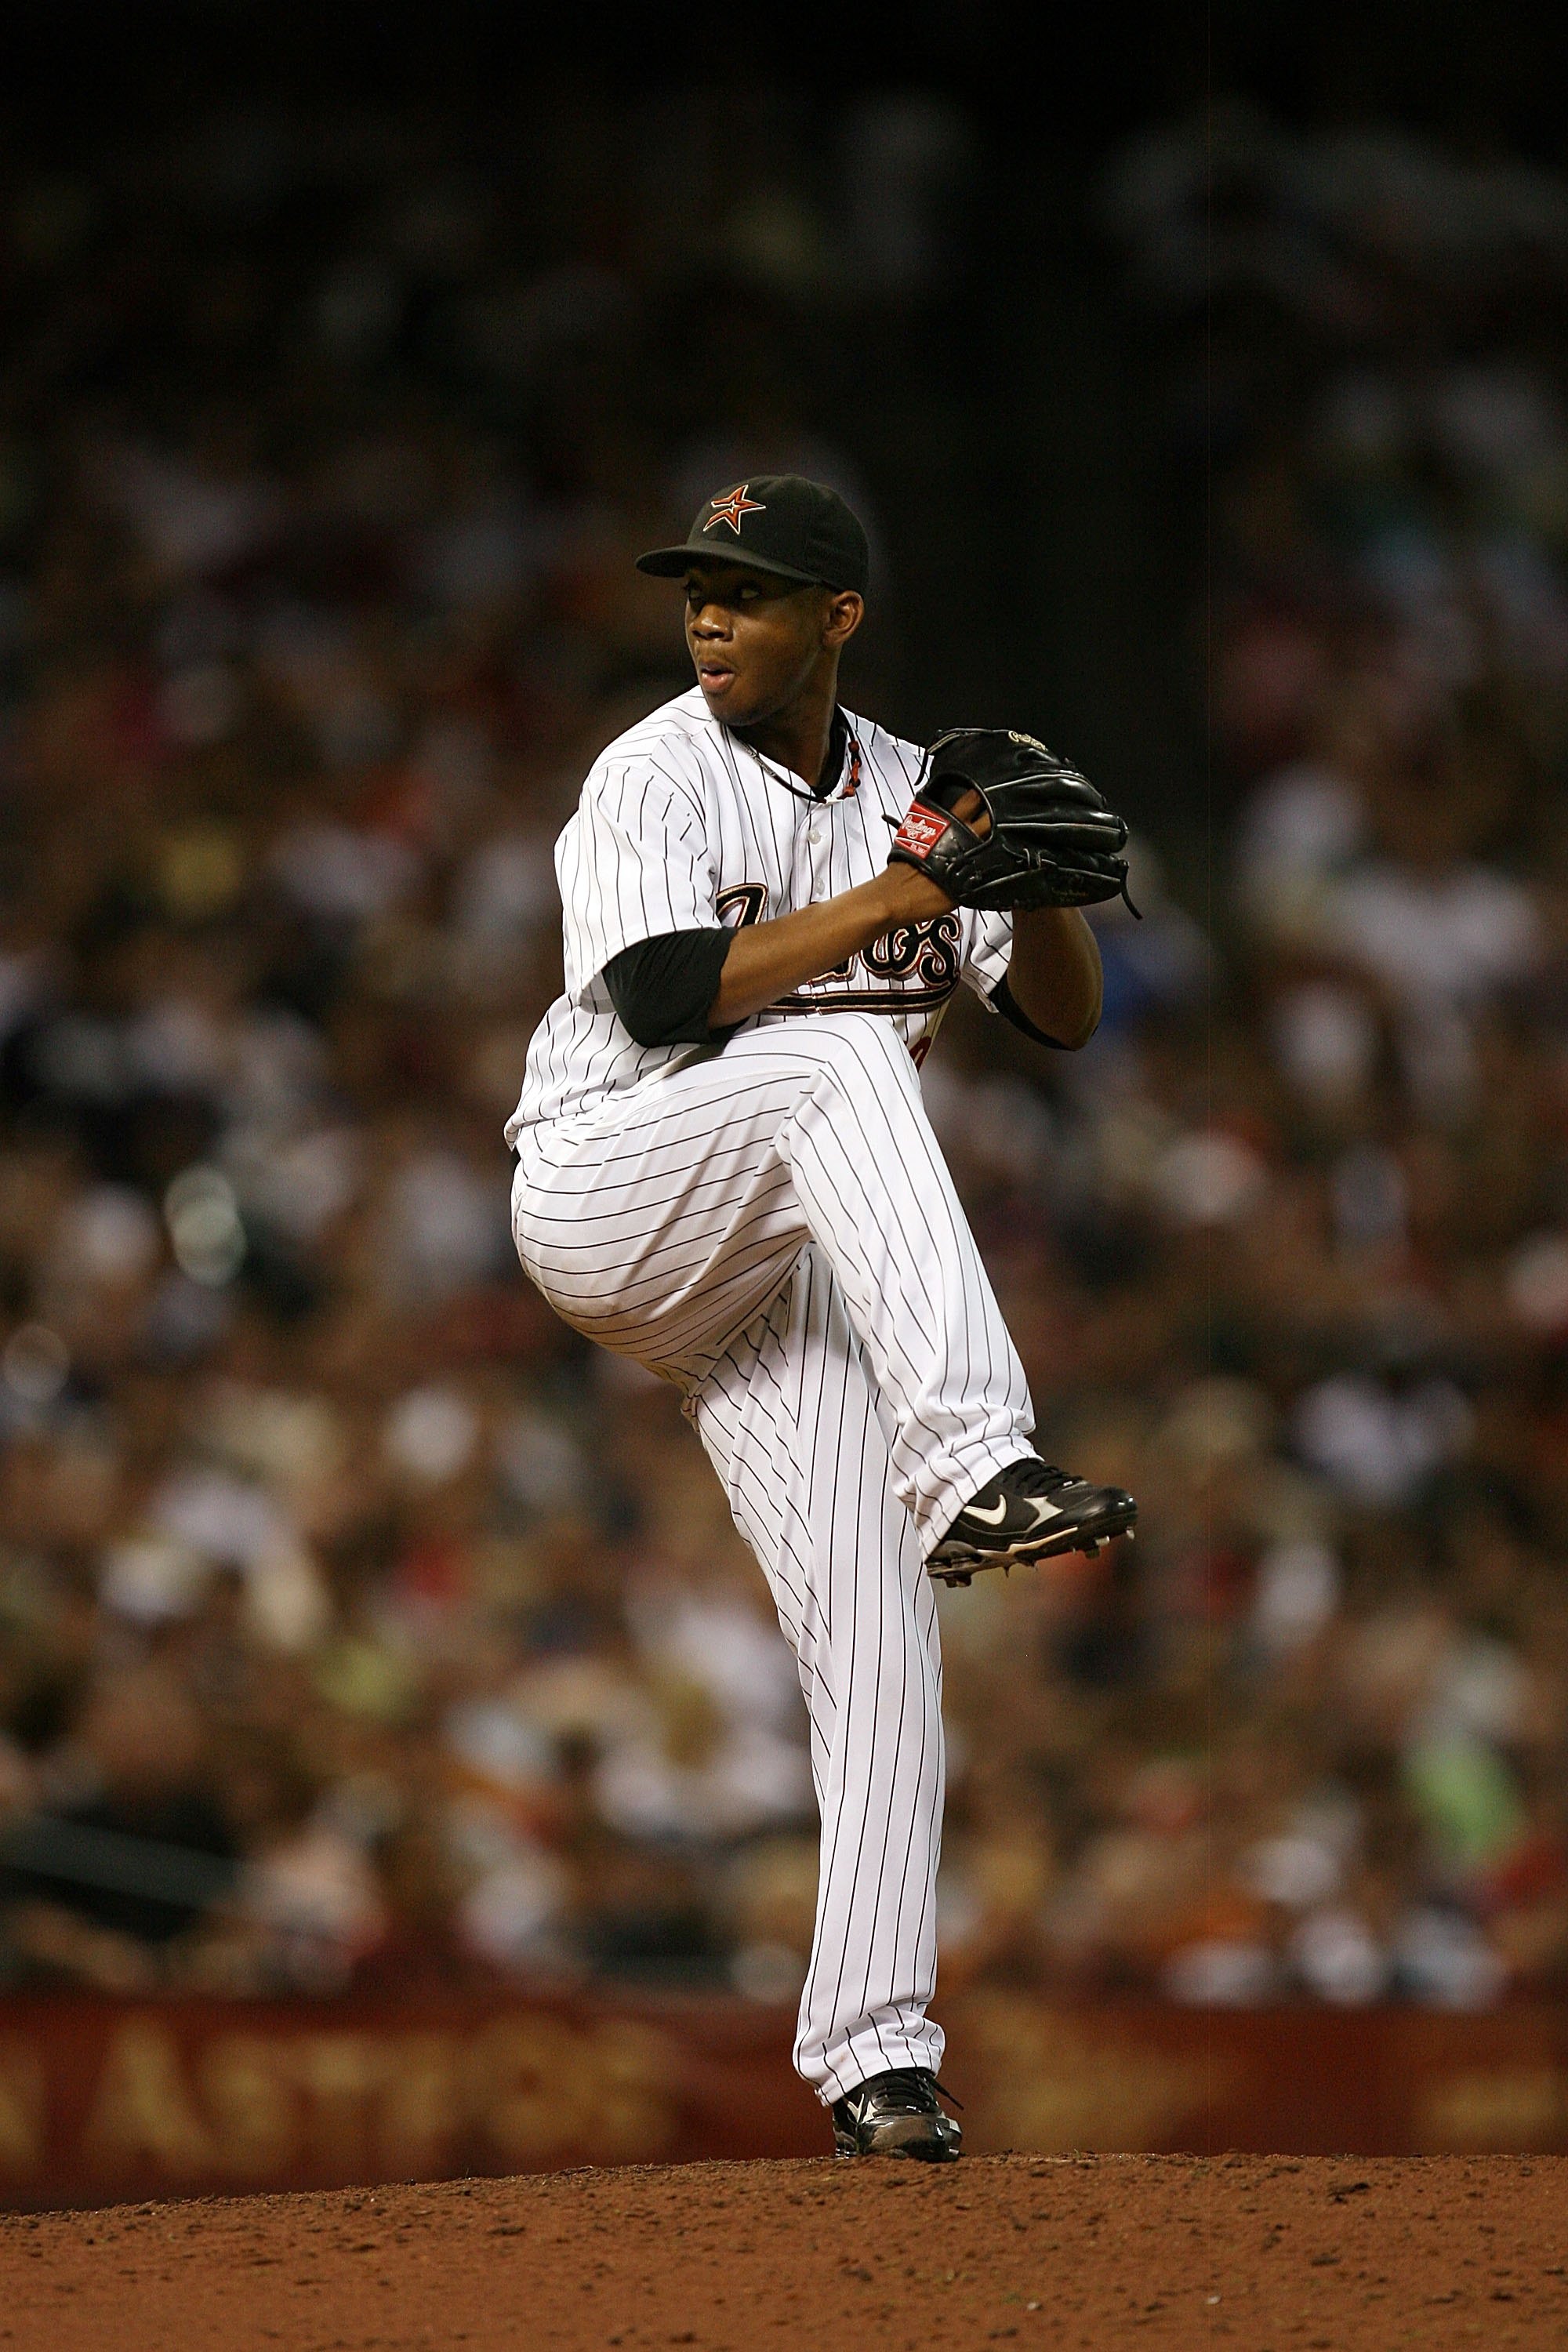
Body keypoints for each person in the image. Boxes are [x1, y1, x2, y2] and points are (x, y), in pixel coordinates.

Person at [506, 476, 1135, 2160]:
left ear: (837, 620)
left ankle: (877, 2055)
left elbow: (1058, 1021)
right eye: (695, 589)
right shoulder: (651, 769)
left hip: (772, 1269)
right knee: (840, 1050)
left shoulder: (920, 791)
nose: (707, 616)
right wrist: (908, 899)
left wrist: (1032, 879)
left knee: (876, 1640)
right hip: (607, 1188)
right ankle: (972, 1460)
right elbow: (656, 997)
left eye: (750, 591)